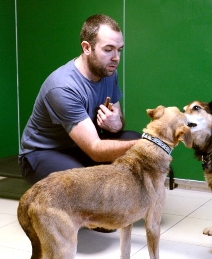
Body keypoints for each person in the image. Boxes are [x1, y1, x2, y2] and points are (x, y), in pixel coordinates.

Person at [19, 14, 141, 185]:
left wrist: (117, 124)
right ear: (86, 47)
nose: (116, 58)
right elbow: (95, 150)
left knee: (133, 137)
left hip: (80, 147)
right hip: (44, 153)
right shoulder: (62, 87)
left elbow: (117, 121)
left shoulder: (109, 71)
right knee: (86, 184)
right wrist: (148, 145)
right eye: (108, 49)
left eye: (119, 49)